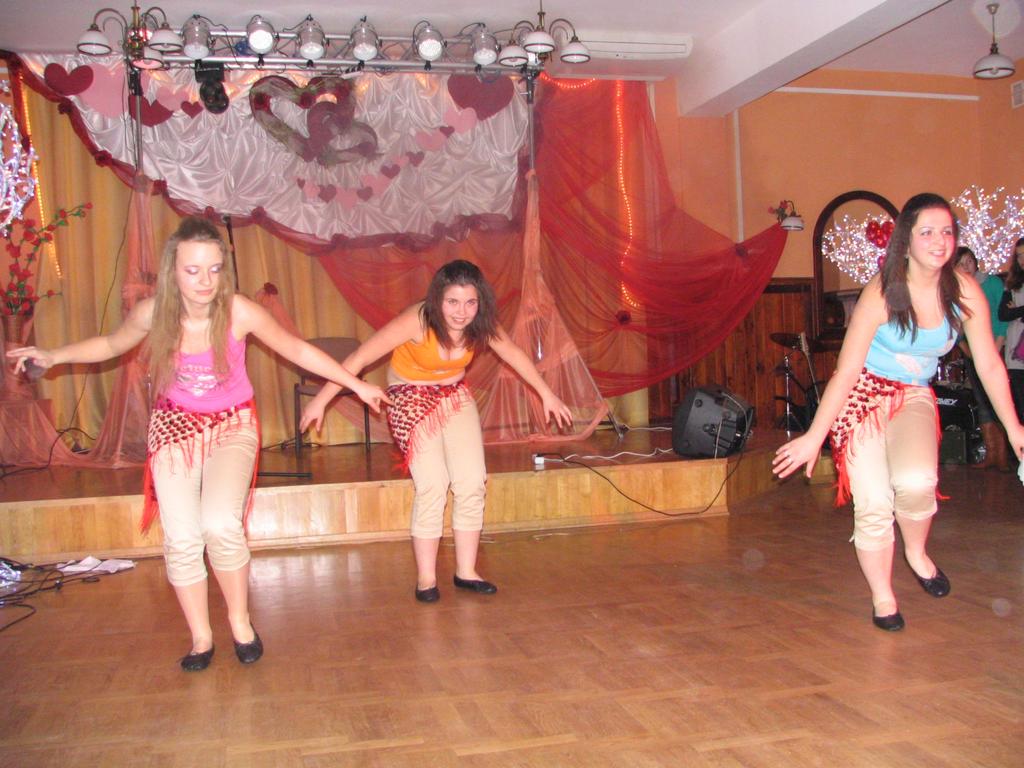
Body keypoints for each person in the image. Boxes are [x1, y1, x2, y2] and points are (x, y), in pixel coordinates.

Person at [6, 217, 390, 671]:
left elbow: (298, 350)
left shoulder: (240, 311)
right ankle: (201, 637)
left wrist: (355, 384)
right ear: (173, 271)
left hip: (232, 425)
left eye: (214, 269)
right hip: (174, 426)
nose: (205, 281)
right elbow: (110, 344)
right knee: (182, 535)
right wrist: (53, 355)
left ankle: (240, 622)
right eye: (192, 270)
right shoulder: (153, 313)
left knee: (220, 524)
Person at [772, 194, 1024, 632]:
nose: (939, 241)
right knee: (873, 502)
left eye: (947, 232)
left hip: (913, 396)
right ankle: (883, 596)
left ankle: (916, 552)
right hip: (861, 396)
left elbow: (988, 364)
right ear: (905, 242)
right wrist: (814, 436)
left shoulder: (964, 291)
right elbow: (847, 371)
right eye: (927, 232)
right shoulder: (882, 292)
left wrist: (1015, 428)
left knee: (916, 482)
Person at [300, 259, 573, 603]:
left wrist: (546, 393)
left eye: (470, 302)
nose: (462, 312)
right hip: (409, 396)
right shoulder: (418, 320)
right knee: (432, 484)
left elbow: (513, 354)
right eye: (453, 302)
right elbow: (358, 358)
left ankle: (466, 572)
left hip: (454, 394)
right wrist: (320, 401)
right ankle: (426, 578)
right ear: (437, 299)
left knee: (472, 481)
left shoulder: (481, 323)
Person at [953, 246, 1009, 469]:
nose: (966, 266)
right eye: (961, 263)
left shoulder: (992, 283)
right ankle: (991, 453)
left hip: (996, 347)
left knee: (999, 400)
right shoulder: (955, 289)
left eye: (969, 261)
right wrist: (964, 347)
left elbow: (1002, 316)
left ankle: (1003, 456)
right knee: (981, 401)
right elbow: (954, 322)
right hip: (972, 350)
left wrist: (997, 345)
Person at [997, 236, 1024, 433]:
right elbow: (1003, 314)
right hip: (1016, 353)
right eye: (1019, 255)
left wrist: (1018, 310)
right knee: (1021, 408)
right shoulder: (1012, 283)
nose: (1022, 260)